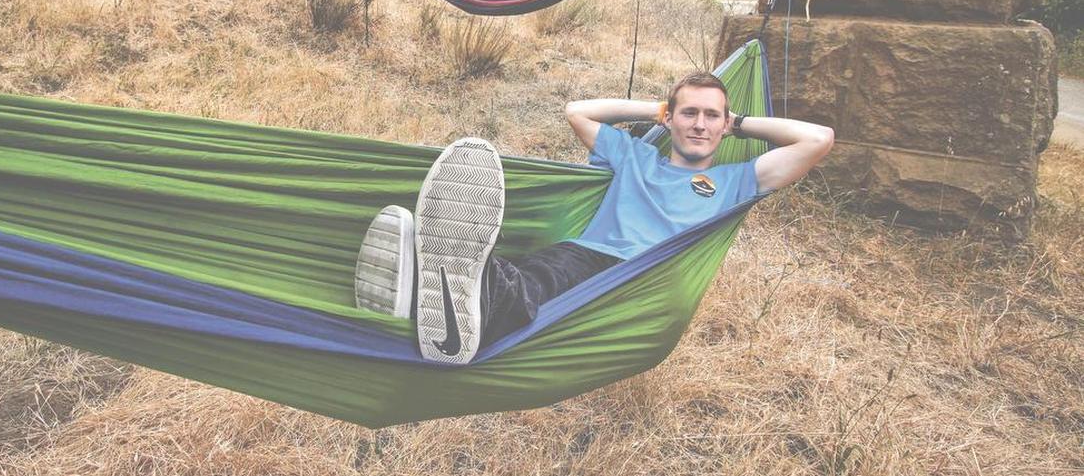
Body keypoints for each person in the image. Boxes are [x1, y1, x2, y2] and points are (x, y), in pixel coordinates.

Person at [353, 71, 834, 364]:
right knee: (536, 276)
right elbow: (578, 111)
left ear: (725, 125)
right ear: (670, 118)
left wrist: (740, 122)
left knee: (529, 282)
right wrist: (657, 109)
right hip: (588, 256)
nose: (700, 124)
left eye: (712, 116)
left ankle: (447, 283)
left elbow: (818, 139)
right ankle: (435, 300)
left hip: (645, 278)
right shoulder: (634, 157)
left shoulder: (737, 180)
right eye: (689, 113)